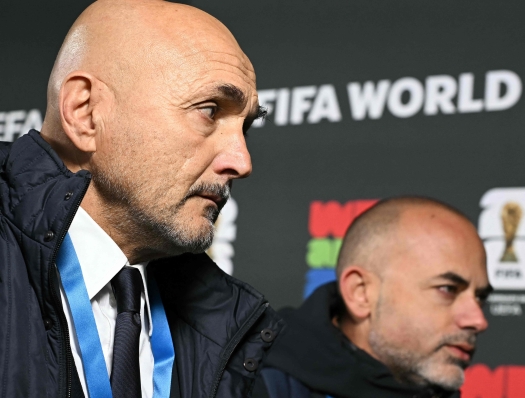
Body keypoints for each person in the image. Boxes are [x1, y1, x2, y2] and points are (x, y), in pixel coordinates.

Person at [0, 1, 282, 397]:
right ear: (85, 113)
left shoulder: (227, 328)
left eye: (246, 126)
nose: (242, 161)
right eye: (209, 110)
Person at [253, 197, 492, 398]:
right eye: (447, 289)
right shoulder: (250, 385)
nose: (478, 320)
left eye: (480, 297)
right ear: (361, 293)